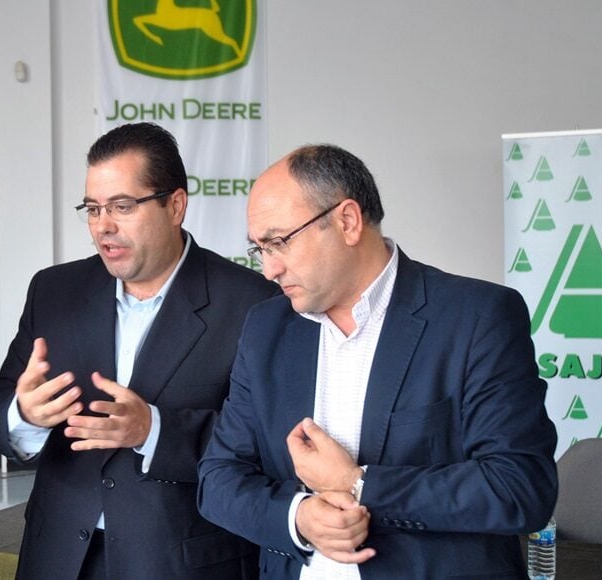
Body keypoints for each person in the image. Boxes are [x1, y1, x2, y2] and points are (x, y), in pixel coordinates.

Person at [197, 144, 559, 579]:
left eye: (278, 243)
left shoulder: (476, 317)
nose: (269, 269)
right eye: (260, 249)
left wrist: (359, 485)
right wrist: (298, 518)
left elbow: (519, 487)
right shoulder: (266, 327)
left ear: (347, 221)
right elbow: (218, 479)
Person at [0, 122, 277, 579]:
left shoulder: (252, 303)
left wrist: (154, 429)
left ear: (175, 205)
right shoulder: (54, 291)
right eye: (93, 209)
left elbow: (266, 442)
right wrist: (25, 414)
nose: (104, 226)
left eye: (122, 206)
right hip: (59, 557)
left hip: (181, 563)